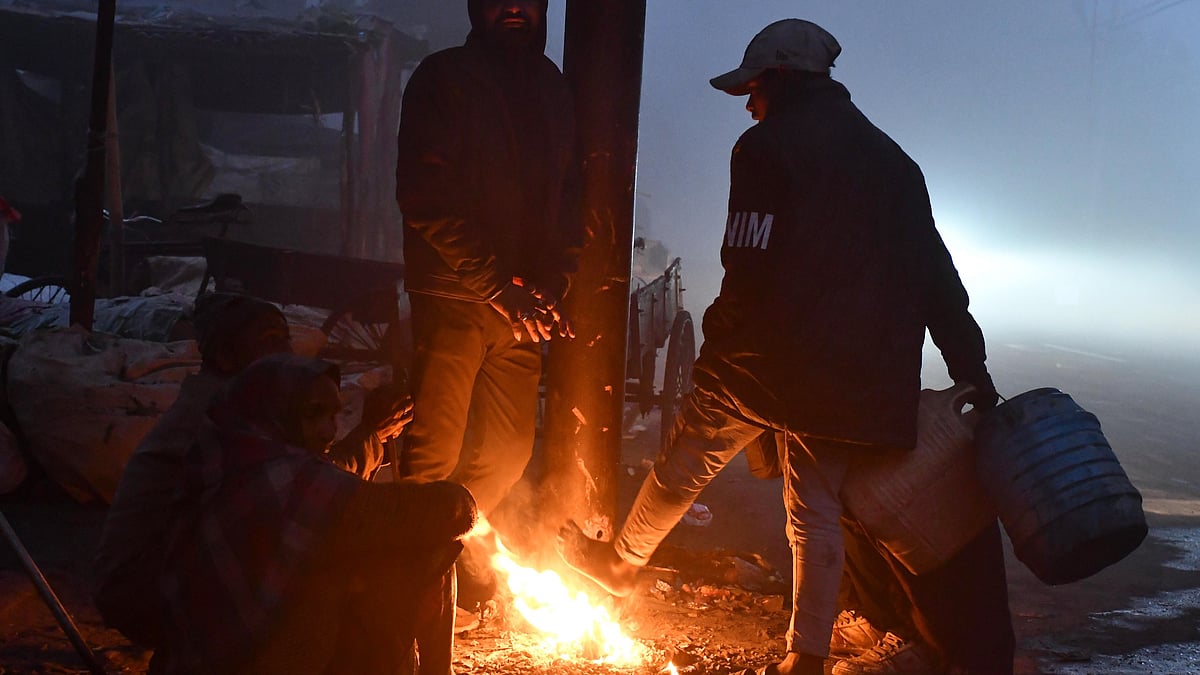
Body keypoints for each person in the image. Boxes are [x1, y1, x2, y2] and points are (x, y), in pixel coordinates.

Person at [557, 19, 1007, 675]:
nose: (747, 103)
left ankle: (620, 568)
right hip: (860, 375)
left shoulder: (765, 149)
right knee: (813, 511)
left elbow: (748, 267)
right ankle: (807, 659)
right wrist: (973, 368)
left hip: (773, 364)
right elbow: (939, 281)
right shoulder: (897, 165)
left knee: (684, 463)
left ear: (779, 78)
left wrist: (714, 359)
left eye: (752, 89)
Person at [395, 0, 580, 619]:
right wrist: (497, 284)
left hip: (521, 307)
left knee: (506, 453)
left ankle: (442, 565)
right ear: (477, 7)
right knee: (432, 453)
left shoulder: (553, 88)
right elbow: (424, 196)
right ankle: (403, 594)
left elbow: (570, 196)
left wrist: (554, 281)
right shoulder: (444, 78)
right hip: (454, 295)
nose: (513, 8)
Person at [93, 292, 411, 653]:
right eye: (270, 340)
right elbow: (304, 492)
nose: (286, 350)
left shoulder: (252, 407)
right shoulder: (219, 419)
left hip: (175, 570)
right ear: (226, 357)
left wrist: (368, 437)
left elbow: (299, 478)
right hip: (146, 590)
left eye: (285, 337)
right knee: (339, 583)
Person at [157, 353, 477, 674]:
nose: (328, 431)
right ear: (275, 411)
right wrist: (464, 502)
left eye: (333, 415)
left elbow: (333, 473)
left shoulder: (232, 455)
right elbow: (417, 512)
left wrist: (371, 434)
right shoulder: (284, 481)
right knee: (427, 551)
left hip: (206, 656)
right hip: (248, 660)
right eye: (313, 415)